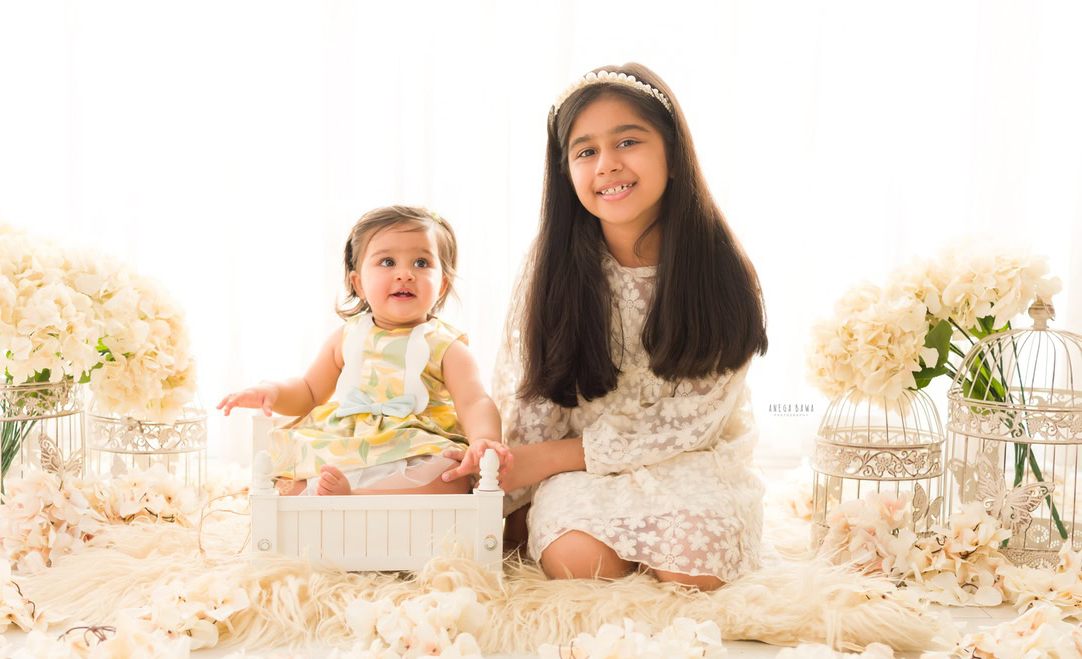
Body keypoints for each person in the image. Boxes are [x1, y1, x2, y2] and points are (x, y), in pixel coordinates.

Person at [443, 64, 768, 589]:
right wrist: (513, 495)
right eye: (586, 151)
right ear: (566, 170)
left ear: (672, 151)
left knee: (696, 568)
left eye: (628, 141)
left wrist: (551, 457)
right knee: (577, 564)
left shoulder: (719, 268)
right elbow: (534, 396)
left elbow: (694, 423)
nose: (607, 165)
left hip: (692, 459)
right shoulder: (551, 267)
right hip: (579, 474)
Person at [218, 205, 511, 496]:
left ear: (442, 285)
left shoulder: (447, 345)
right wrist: (274, 391)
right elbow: (309, 391)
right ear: (358, 283)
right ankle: (324, 494)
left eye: (421, 263)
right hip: (347, 440)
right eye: (387, 262)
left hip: (412, 444)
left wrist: (483, 439)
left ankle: (354, 498)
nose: (405, 274)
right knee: (282, 479)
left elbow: (474, 400)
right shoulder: (347, 336)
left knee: (450, 479)